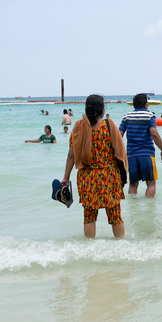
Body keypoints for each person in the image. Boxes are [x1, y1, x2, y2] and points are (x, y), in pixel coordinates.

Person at [61, 94, 127, 239]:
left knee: (89, 217)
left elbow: (71, 155)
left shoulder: (78, 127)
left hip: (87, 179)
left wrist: (66, 177)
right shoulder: (108, 125)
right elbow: (120, 152)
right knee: (115, 216)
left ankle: (89, 252)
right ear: (102, 110)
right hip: (109, 178)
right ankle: (121, 250)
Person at [119, 93, 162, 198]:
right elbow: (154, 133)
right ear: (146, 105)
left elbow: (119, 136)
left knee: (133, 184)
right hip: (147, 154)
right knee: (151, 183)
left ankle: (133, 210)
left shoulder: (126, 117)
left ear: (134, 105)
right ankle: (149, 211)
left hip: (131, 156)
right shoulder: (150, 116)